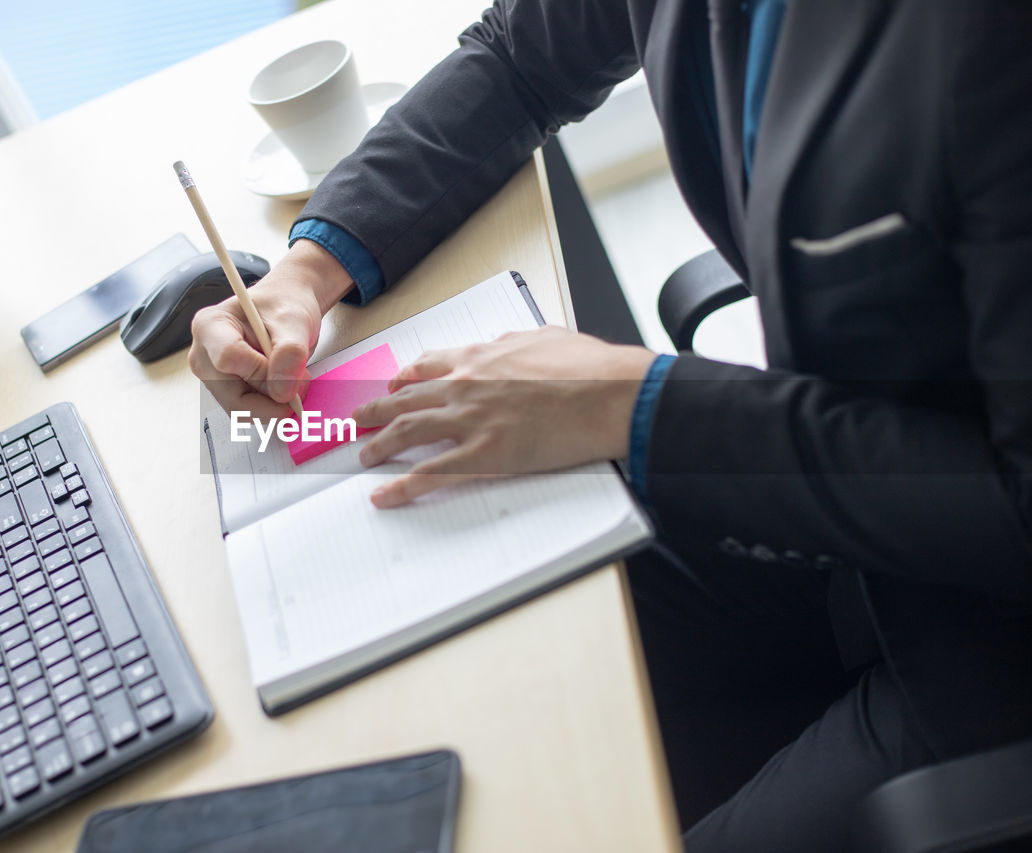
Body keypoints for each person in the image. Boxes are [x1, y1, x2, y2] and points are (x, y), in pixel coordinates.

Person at [191, 1, 1032, 849]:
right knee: (466, 645)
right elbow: (522, 58)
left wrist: (639, 404)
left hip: (986, 644)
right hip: (850, 539)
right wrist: (309, 269)